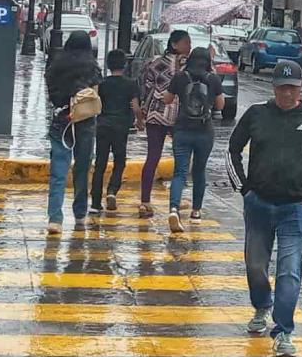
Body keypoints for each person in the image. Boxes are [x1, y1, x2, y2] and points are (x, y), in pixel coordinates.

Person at [227, 60, 302, 357]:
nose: (287, 94)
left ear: (300, 88)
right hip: (259, 204)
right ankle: (261, 306)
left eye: (292, 88)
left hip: (295, 207)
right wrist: (243, 189)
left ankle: (283, 332)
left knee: (289, 271)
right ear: (274, 88)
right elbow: (232, 149)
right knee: (256, 266)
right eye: (282, 88)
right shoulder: (256, 113)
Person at [44, 30, 102, 235]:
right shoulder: (91, 66)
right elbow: (95, 95)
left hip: (61, 120)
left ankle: (55, 218)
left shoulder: (56, 65)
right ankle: (79, 214)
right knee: (82, 168)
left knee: (58, 170)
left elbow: (50, 91)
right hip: (84, 122)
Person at [163, 46, 224, 234]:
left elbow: (167, 99)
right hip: (205, 131)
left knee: (180, 172)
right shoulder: (212, 79)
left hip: (182, 129)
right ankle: (196, 211)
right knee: (199, 171)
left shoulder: (181, 77)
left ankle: (174, 209)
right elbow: (220, 105)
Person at [139, 30, 191, 218]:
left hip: (155, 114)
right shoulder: (186, 67)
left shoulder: (154, 64)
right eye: (186, 43)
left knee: (153, 157)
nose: (189, 47)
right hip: (177, 116)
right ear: (175, 44)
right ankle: (175, 201)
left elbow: (146, 88)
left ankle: (145, 201)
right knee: (181, 159)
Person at [90, 49, 144, 215]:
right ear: (125, 65)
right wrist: (140, 121)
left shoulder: (102, 83)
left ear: (108, 65)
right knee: (120, 161)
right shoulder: (131, 84)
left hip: (103, 125)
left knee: (100, 163)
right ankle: (112, 190)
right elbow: (135, 107)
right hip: (121, 127)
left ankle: (95, 202)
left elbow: (95, 103)